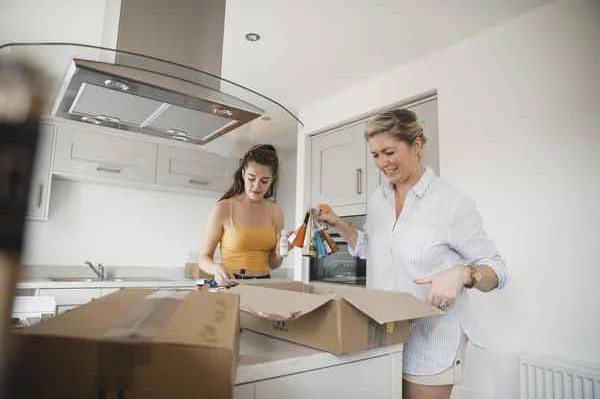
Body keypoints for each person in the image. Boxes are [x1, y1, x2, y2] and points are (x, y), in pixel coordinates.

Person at [316, 108, 510, 399]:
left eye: (389, 152)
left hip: (431, 342)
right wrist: (340, 226)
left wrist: (463, 274)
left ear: (416, 145)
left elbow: (498, 271)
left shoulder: (451, 202)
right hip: (382, 334)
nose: (382, 163)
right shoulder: (377, 199)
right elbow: (373, 247)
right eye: (375, 155)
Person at [198, 144, 292, 286]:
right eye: (251, 178)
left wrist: (280, 251)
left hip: (264, 285)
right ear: (243, 174)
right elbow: (203, 258)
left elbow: (273, 264)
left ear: (272, 179)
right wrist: (216, 269)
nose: (257, 186)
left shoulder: (276, 212)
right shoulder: (223, 208)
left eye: (264, 180)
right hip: (230, 284)